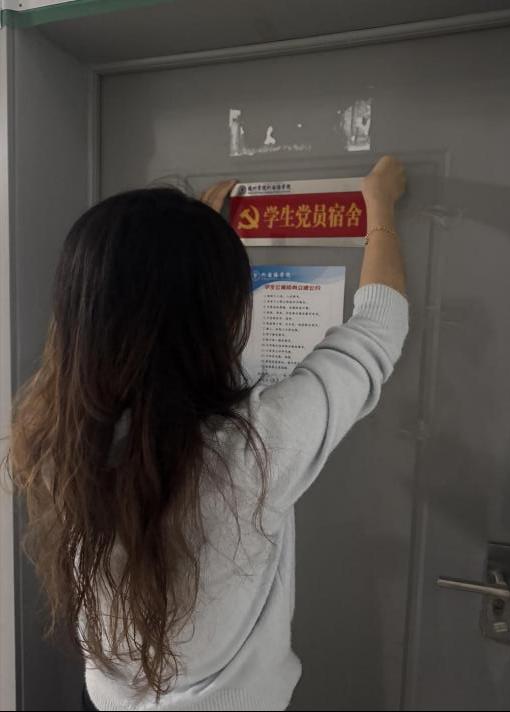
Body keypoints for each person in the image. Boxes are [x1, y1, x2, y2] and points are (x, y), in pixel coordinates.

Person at [10, 156, 408, 711]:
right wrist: (381, 207)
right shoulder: (252, 451)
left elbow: (166, 366)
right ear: (221, 316)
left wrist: (186, 253)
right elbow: (375, 334)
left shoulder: (50, 437)